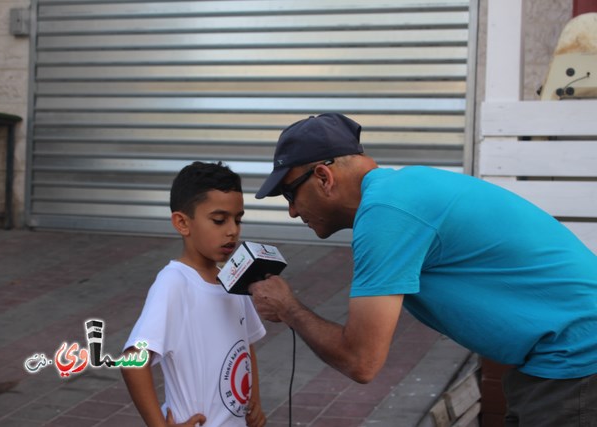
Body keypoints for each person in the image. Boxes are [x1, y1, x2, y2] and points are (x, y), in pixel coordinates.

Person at [249, 113, 597, 426]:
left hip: (578, 360)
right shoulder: (404, 188)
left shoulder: (386, 214)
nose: (293, 211)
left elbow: (361, 361)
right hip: (559, 358)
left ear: (323, 177)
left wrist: (289, 308)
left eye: (289, 194)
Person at [122, 161, 267, 427]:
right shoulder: (174, 283)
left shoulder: (234, 280)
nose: (232, 230)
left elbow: (246, 347)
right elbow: (133, 361)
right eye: (219, 220)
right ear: (182, 223)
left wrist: (254, 402)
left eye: (238, 219)